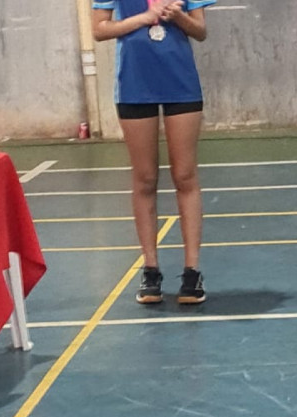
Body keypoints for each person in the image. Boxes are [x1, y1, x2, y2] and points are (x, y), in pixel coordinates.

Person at [92, 0, 213, 304]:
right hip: (134, 83)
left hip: (181, 82)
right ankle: (150, 269)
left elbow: (200, 30)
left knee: (185, 175)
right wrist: (145, 18)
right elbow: (99, 29)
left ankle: (192, 271)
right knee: (144, 178)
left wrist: (178, 17)